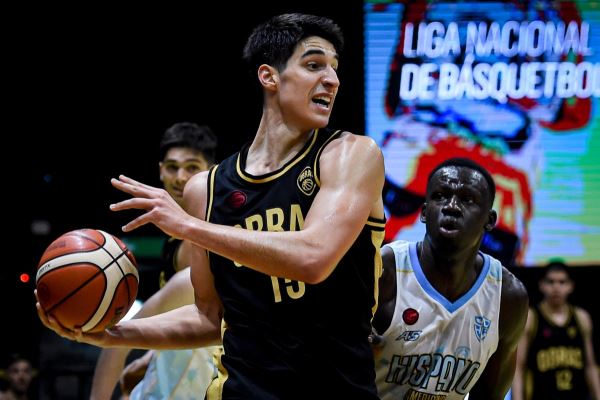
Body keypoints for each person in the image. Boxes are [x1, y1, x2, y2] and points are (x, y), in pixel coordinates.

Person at [37, 13, 386, 400]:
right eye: (314, 64)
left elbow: (315, 258)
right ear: (269, 77)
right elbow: (210, 317)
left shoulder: (351, 154)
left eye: (335, 69)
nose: (332, 80)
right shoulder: (209, 188)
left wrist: (187, 226)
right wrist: (111, 335)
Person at [371, 157, 529, 399]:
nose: (451, 206)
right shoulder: (385, 272)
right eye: (440, 196)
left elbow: (489, 395)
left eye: (467, 199)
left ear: (490, 221)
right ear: (424, 213)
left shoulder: (507, 297)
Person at [90, 121, 218, 399]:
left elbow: (118, 338)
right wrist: (152, 355)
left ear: (211, 173)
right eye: (172, 167)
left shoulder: (213, 235)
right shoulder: (174, 240)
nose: (180, 177)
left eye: (193, 167)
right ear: (160, 170)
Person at [512, 261, 600, 400]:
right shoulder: (531, 318)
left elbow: (590, 365)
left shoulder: (581, 317)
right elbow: (518, 367)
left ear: (571, 286)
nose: (556, 287)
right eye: (551, 282)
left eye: (562, 282)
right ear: (541, 285)